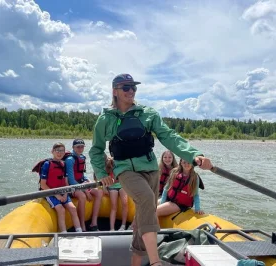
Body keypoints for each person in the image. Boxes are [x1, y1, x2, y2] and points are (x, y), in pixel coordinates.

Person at [89, 73, 213, 266]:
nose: (131, 91)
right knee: (147, 199)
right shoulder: (105, 119)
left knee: (142, 217)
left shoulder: (148, 113)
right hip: (124, 170)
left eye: (134, 87)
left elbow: (169, 136)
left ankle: (136, 262)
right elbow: (96, 150)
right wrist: (103, 173)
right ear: (115, 91)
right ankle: (156, 262)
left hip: (150, 170)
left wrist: (193, 155)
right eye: (126, 88)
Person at [35, 142, 82, 233]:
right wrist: (57, 196)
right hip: (50, 192)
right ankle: (64, 233)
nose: (59, 153)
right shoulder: (47, 165)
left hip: (62, 191)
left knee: (72, 208)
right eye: (57, 150)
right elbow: (43, 185)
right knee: (61, 209)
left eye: (62, 151)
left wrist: (65, 194)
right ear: (52, 151)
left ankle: (79, 231)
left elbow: (66, 182)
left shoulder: (63, 164)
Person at [128, 150, 178, 230]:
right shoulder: (158, 169)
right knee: (143, 205)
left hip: (167, 197)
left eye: (169, 157)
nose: (167, 159)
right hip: (157, 195)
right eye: (165, 157)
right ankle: (134, 225)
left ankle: (152, 229)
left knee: (150, 207)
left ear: (173, 158)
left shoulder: (176, 171)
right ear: (162, 158)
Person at [65, 139, 103, 231]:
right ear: (73, 147)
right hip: (72, 186)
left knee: (99, 192)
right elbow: (71, 180)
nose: (80, 148)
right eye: (78, 147)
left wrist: (88, 181)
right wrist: (85, 190)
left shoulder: (82, 157)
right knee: (82, 196)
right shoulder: (70, 160)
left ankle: (94, 223)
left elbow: (81, 175)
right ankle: (82, 225)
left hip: (81, 184)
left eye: (82, 146)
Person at [102, 155, 128, 231]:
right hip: (112, 186)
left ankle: (123, 225)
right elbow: (103, 178)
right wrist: (104, 188)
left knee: (125, 203)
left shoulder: (122, 165)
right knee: (114, 206)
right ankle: (112, 228)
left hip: (122, 185)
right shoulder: (107, 166)